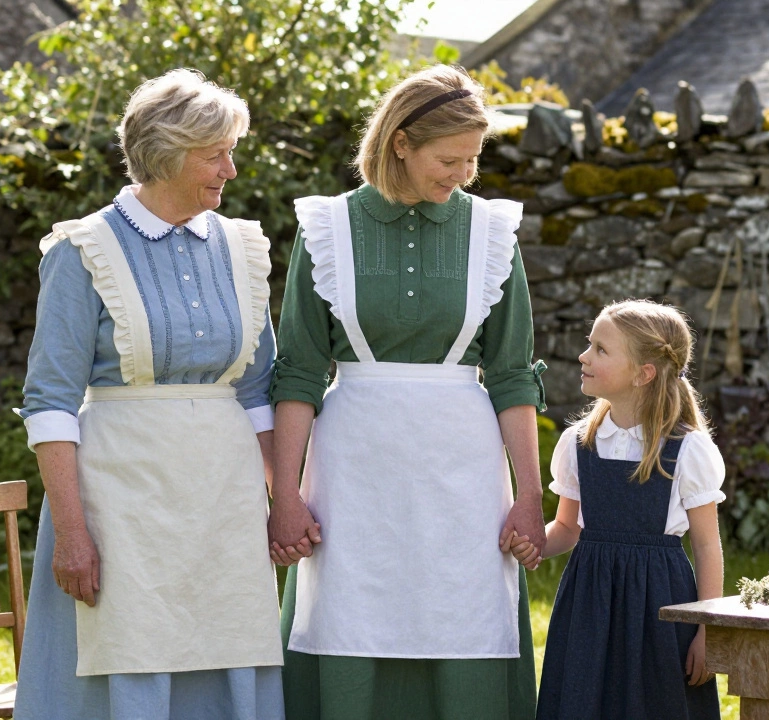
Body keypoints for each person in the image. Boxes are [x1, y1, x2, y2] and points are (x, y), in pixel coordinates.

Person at [267, 64, 547, 720]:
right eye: (449, 159)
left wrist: (531, 497)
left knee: (466, 616)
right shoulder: (328, 230)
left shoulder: (490, 234)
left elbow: (512, 374)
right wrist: (285, 496)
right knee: (347, 620)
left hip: (463, 472)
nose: (463, 175)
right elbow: (300, 373)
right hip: (353, 471)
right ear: (400, 143)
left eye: (473, 160)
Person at [13, 69, 284, 720]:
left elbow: (257, 391)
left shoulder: (241, 248)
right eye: (216, 153)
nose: (232, 169)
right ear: (168, 151)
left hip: (224, 503)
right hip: (119, 503)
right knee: (128, 651)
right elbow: (50, 401)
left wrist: (285, 501)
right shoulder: (84, 250)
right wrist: (74, 535)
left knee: (228, 647)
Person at [515, 299, 723, 720]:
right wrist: (533, 546)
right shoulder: (578, 442)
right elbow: (567, 529)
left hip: (661, 608)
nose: (583, 356)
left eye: (601, 350)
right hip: (588, 605)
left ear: (643, 374)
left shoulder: (687, 450)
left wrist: (707, 629)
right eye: (589, 345)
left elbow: (706, 547)